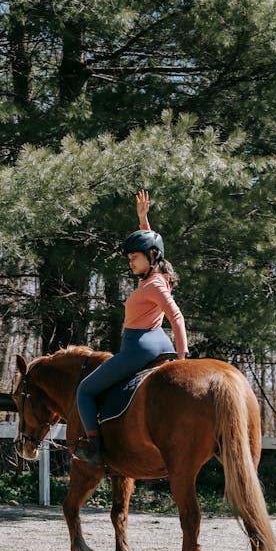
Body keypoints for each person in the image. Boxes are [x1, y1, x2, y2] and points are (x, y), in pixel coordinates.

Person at [73, 191, 189, 468]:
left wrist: (183, 356)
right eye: (128, 259)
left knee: (84, 391)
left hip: (138, 348)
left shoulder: (154, 285)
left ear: (151, 256)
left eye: (134, 258)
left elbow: (177, 317)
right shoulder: (157, 275)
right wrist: (143, 220)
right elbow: (152, 245)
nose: (130, 262)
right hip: (158, 342)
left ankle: (94, 447)